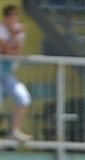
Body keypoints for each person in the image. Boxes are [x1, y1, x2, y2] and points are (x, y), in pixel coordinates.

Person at [0, 4, 31, 142]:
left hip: (7, 73)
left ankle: (14, 130)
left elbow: (16, 53)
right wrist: (13, 36)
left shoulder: (19, 31)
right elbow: (5, 50)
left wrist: (12, 40)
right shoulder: (1, 30)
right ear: (5, 17)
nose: (13, 18)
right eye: (10, 15)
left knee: (23, 97)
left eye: (15, 15)